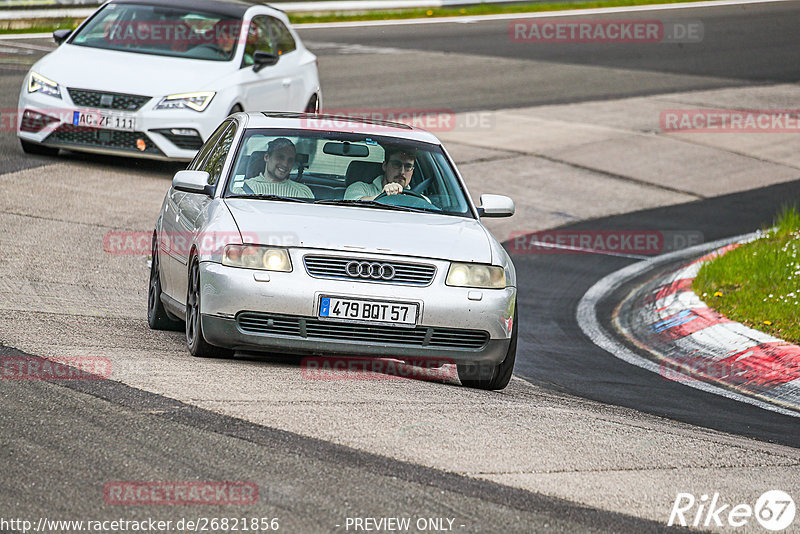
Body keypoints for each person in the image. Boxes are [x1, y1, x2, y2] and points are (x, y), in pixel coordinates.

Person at [239, 138, 314, 199]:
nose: (285, 164)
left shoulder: (303, 192)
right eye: (280, 157)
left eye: (290, 160)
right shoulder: (242, 190)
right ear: (267, 157)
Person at [344, 146, 417, 201]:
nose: (402, 172)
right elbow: (353, 205)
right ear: (385, 166)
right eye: (396, 165)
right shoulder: (360, 188)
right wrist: (385, 195)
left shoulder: (419, 199)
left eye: (408, 166)